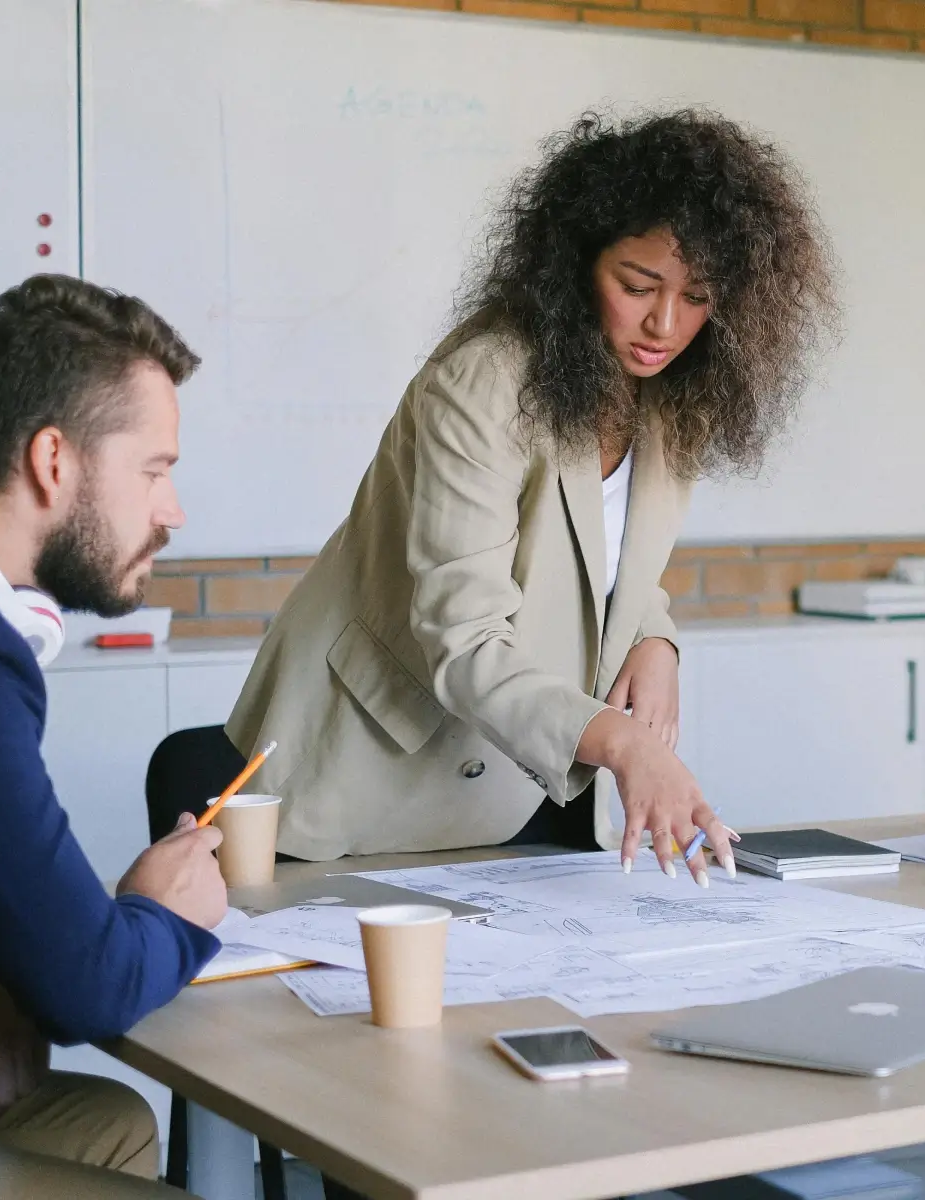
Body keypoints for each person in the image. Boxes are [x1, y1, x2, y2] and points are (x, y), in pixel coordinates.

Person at [226, 109, 837, 880]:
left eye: (698, 297)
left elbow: (602, 555)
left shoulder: (674, 392)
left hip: (518, 787)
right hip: (369, 774)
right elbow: (467, 635)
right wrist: (626, 744)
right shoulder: (484, 384)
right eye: (637, 285)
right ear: (577, 263)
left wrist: (655, 636)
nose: (665, 322)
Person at [0, 274, 229, 1199]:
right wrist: (163, 911)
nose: (173, 512)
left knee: (114, 1124)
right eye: (155, 470)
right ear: (55, 461)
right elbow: (89, 983)